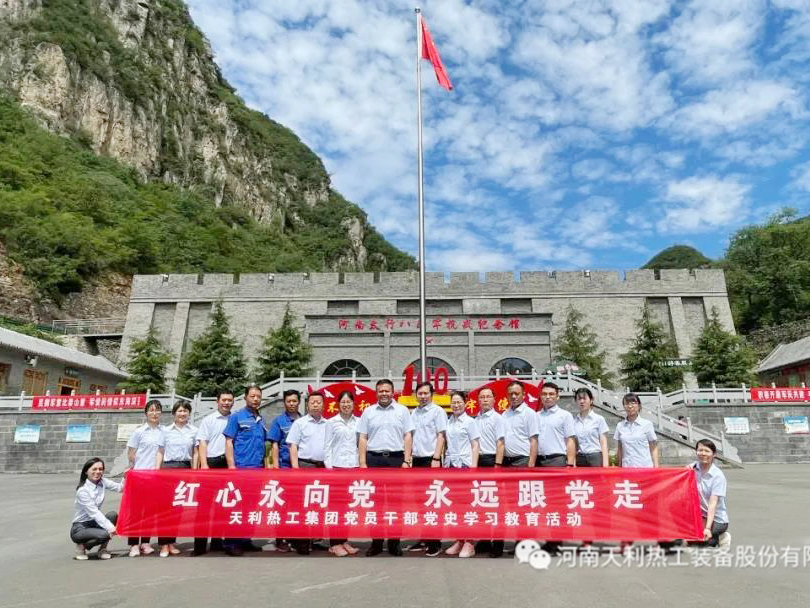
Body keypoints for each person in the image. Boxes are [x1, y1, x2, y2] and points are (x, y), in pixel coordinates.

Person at [358, 378, 414, 557]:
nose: (384, 394)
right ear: (376, 393)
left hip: (396, 459)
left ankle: (394, 542)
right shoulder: (368, 412)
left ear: (392, 392)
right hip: (373, 460)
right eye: (380, 391)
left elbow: (407, 436)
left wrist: (406, 460)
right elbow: (363, 437)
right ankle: (376, 542)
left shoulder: (402, 411)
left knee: (396, 503)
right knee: (375, 504)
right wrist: (362, 463)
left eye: (387, 391)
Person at [491, 381, 538, 558]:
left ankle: (523, 545)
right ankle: (498, 545)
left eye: (517, 393)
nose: (513, 396)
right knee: (503, 505)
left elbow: (534, 441)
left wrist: (531, 466)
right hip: (506, 463)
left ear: (523, 395)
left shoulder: (530, 414)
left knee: (523, 505)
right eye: (510, 393)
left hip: (522, 462)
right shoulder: (504, 414)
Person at [223, 384, 267, 556]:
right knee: (237, 507)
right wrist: (231, 466)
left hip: (257, 469)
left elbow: (263, 445)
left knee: (251, 507)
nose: (255, 399)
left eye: (258, 396)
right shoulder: (237, 417)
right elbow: (229, 442)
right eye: (252, 396)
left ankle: (246, 539)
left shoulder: (260, 419)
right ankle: (231, 543)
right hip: (241, 469)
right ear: (245, 398)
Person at [406, 381, 447, 557]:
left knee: (432, 501)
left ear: (432, 394)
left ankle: (435, 542)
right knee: (420, 502)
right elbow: (410, 436)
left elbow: (441, 435)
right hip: (417, 460)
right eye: (420, 393)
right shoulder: (414, 413)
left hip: (431, 461)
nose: (423, 396)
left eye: (426, 393)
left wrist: (436, 458)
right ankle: (424, 538)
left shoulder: (438, 411)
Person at [192, 388, 234, 556]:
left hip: (228, 464)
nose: (226, 403)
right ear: (217, 401)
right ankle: (199, 546)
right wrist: (204, 465)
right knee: (204, 506)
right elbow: (202, 442)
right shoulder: (208, 420)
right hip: (212, 463)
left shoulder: (234, 419)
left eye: (229, 400)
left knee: (223, 505)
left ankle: (217, 542)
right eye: (224, 400)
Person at [156, 399, 198, 557]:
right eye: (179, 410)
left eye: (185, 411)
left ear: (189, 413)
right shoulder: (165, 431)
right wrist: (157, 470)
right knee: (165, 508)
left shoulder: (194, 430)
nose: (182, 413)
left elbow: (195, 452)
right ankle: (163, 544)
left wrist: (194, 471)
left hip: (185, 468)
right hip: (168, 469)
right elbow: (160, 452)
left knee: (178, 508)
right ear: (174, 413)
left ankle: (171, 542)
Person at [288, 391, 328, 555]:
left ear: (323, 405)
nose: (316, 405)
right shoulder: (300, 423)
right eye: (313, 402)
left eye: (319, 402)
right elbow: (293, 446)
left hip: (323, 467)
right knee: (303, 505)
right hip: (305, 466)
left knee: (319, 505)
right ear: (307, 405)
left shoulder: (328, 424)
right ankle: (302, 542)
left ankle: (315, 539)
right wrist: (295, 469)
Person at [323, 390, 361, 556]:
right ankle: (335, 543)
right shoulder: (331, 422)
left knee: (348, 508)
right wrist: (329, 469)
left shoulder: (359, 422)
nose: (346, 405)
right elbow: (327, 447)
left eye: (349, 402)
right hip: (337, 469)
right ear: (338, 404)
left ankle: (344, 540)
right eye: (343, 402)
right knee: (336, 507)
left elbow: (361, 445)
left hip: (353, 468)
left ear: (353, 404)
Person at [126, 399, 165, 557]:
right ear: (146, 413)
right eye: (151, 410)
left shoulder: (163, 431)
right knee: (136, 511)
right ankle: (134, 544)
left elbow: (161, 452)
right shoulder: (139, 432)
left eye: (157, 410)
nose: (154, 413)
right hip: (139, 475)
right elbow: (131, 453)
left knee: (149, 511)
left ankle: (145, 542)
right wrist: (134, 467)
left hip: (154, 476)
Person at [444, 391, 480, 558]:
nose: (456, 405)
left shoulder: (470, 422)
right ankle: (459, 539)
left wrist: (473, 467)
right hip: (452, 466)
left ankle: (470, 542)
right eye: (453, 402)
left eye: (459, 402)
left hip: (465, 466)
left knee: (467, 506)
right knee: (455, 506)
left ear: (465, 403)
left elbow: (475, 445)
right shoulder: (448, 421)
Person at [267, 389, 302, 553]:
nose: (292, 404)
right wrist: (276, 467)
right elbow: (274, 445)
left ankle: (296, 537)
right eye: (289, 401)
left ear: (299, 402)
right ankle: (280, 538)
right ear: (285, 403)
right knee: (283, 504)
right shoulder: (279, 421)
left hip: (301, 467)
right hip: (285, 468)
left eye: (294, 401)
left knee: (298, 505)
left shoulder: (304, 420)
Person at [70, 458, 123, 560]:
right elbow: (94, 513)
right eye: (94, 469)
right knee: (105, 533)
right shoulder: (83, 491)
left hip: (94, 523)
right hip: (80, 527)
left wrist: (126, 476)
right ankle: (81, 546)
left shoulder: (102, 482)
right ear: (86, 471)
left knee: (112, 515)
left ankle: (102, 549)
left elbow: (121, 488)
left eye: (100, 469)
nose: (98, 472)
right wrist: (112, 529)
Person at [473, 386, 505, 555]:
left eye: (488, 397)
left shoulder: (498, 418)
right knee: (482, 502)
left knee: (496, 505)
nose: (485, 400)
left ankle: (498, 543)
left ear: (494, 400)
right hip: (479, 461)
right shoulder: (475, 419)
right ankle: (485, 539)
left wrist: (497, 466)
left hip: (492, 461)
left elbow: (501, 443)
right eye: (482, 397)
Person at [689, 439, 731, 548]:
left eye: (707, 451)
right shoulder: (693, 468)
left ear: (714, 454)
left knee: (702, 541)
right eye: (700, 450)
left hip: (717, 519)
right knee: (688, 539)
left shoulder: (718, 476)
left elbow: (713, 504)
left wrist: (707, 528)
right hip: (700, 516)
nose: (703, 453)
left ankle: (721, 537)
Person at [614, 393, 659, 468]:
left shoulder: (647, 424)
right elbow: (620, 448)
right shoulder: (620, 426)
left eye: (633, 403)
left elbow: (653, 447)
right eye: (626, 404)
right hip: (627, 467)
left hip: (644, 467)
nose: (630, 406)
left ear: (639, 406)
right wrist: (619, 465)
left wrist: (656, 467)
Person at [573, 388, 609, 467]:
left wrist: (605, 465)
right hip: (580, 458)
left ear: (591, 400)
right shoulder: (574, 421)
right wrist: (573, 463)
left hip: (595, 458)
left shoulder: (599, 419)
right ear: (576, 401)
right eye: (579, 399)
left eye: (584, 398)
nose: (582, 401)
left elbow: (603, 443)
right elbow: (574, 444)